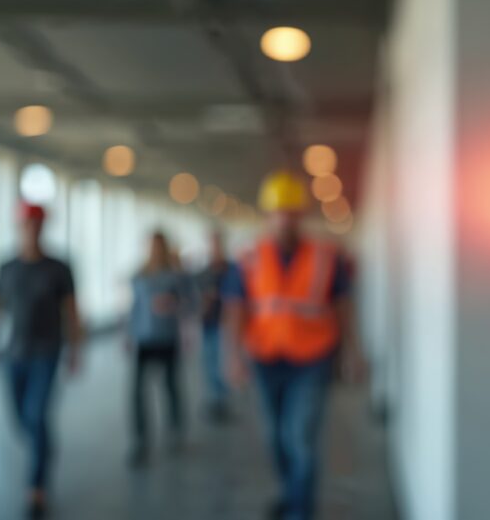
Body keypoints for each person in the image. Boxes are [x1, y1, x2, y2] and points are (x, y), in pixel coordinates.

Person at [224, 171, 363, 520]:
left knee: (298, 436)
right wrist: (233, 356)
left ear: (301, 214)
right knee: (275, 436)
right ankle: (290, 491)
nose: (285, 218)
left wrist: (352, 351)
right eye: (278, 211)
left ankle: (299, 511)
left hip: (313, 357)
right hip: (266, 356)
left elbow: (344, 308)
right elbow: (236, 309)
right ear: (269, 215)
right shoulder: (250, 257)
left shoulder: (325, 256)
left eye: (291, 211)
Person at [0, 203, 83, 518]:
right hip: (12, 354)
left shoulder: (58, 267)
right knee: (23, 420)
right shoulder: (6, 267)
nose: (31, 228)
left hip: (46, 352)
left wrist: (76, 349)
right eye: (27, 223)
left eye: (36, 223)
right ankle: (43, 448)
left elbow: (72, 310)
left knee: (36, 413)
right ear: (19, 226)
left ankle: (37, 487)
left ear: (43, 227)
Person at [127, 230, 193, 466]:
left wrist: (174, 304)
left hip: (167, 338)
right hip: (144, 339)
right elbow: (134, 306)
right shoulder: (139, 276)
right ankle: (140, 439)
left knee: (171, 387)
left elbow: (189, 303)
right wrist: (127, 334)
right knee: (137, 392)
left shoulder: (176, 276)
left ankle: (176, 431)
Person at [193, 230, 232, 422]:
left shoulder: (232, 270)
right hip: (208, 323)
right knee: (209, 363)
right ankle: (215, 399)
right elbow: (195, 299)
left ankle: (220, 399)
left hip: (226, 324)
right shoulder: (203, 273)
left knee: (221, 363)